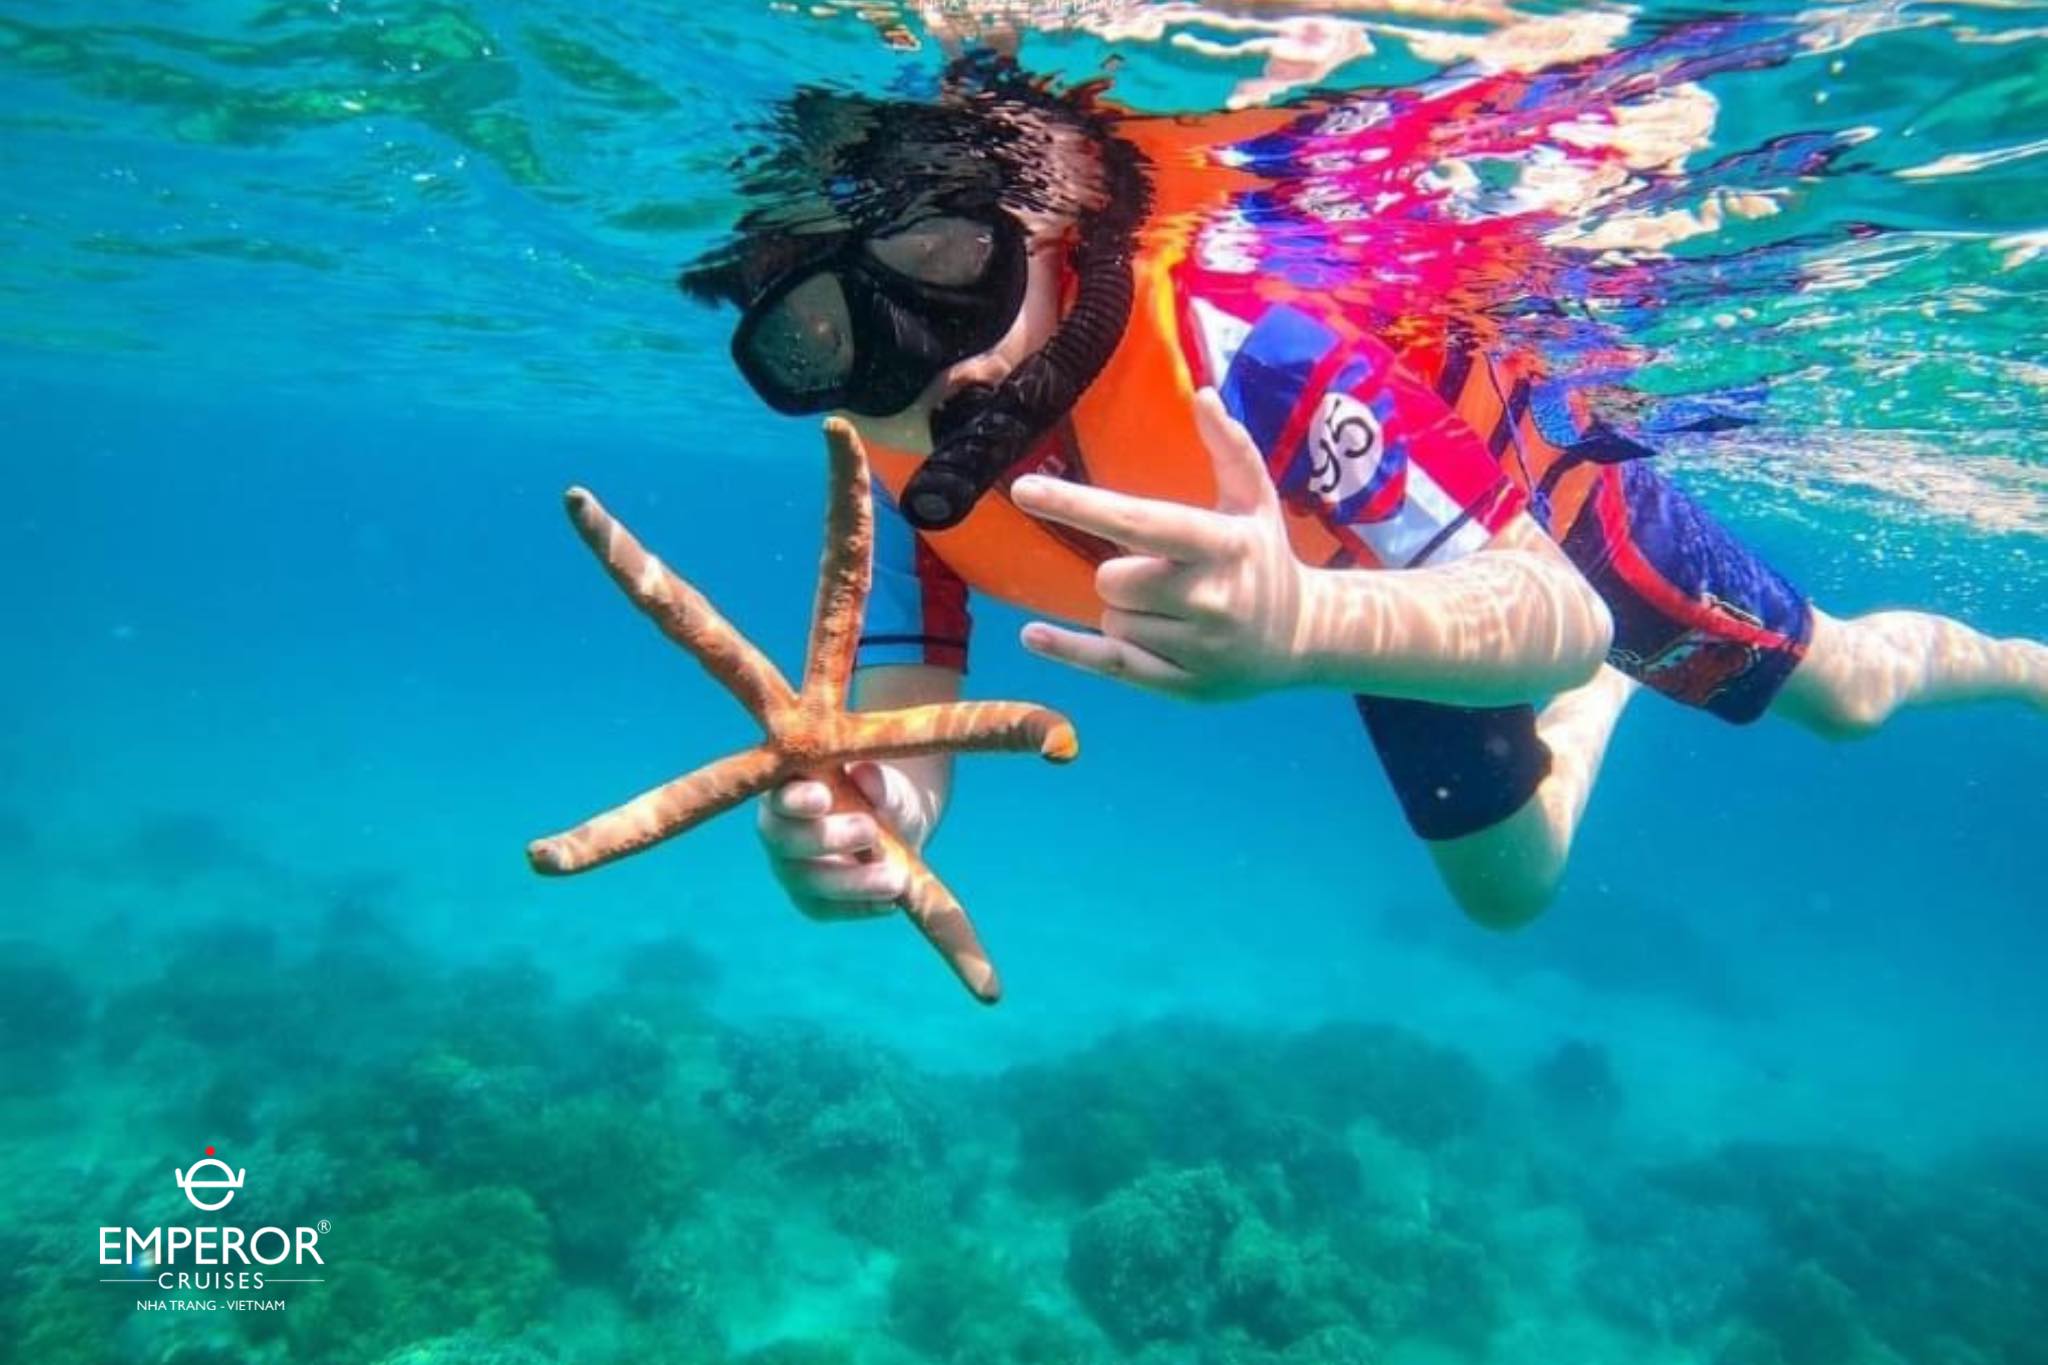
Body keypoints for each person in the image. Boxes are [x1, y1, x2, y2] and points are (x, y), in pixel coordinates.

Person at [678, 58, 2047, 931]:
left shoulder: (1246, 348)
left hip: (1524, 511)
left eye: (943, 264)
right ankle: (1598, 702)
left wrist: (1304, 631)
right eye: (819, 339)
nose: (929, 360)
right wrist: (887, 809)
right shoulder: (894, 453)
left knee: (1845, 696)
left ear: (1047, 226)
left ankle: (2027, 665)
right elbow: (910, 680)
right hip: (1354, 602)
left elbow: (1560, 608)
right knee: (1508, 894)